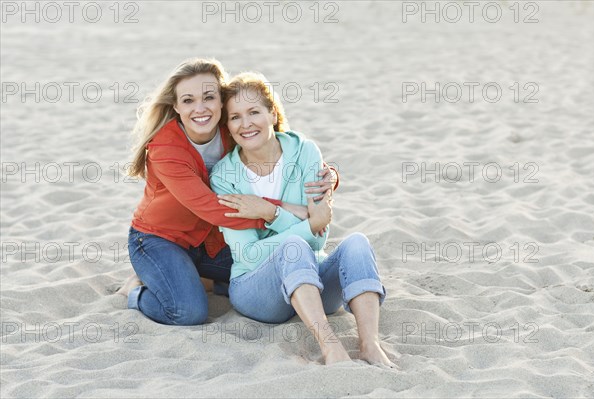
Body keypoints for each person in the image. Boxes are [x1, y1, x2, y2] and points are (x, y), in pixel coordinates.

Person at [117, 58, 336, 326]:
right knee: (188, 311)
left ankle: (205, 280)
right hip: (161, 240)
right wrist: (279, 209)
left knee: (258, 268)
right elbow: (212, 207)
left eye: (208, 97)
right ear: (175, 106)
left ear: (221, 101)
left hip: (210, 240)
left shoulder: (231, 127)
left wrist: (329, 177)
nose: (200, 108)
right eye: (188, 100)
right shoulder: (165, 149)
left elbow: (281, 147)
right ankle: (136, 291)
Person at [210, 72, 394, 367]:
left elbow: (320, 236)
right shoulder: (223, 176)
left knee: (357, 243)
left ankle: (370, 345)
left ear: (272, 113)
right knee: (294, 245)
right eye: (235, 117)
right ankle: (331, 348)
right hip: (256, 290)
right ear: (228, 125)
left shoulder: (305, 151)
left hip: (312, 284)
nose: (245, 124)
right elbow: (249, 253)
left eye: (254, 112)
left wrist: (270, 213)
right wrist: (302, 223)